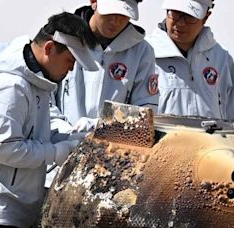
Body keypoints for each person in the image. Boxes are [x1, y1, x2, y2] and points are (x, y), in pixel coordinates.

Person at [0, 12, 97, 227]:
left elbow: (38, 135)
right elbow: (5, 149)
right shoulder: (9, 86)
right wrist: (58, 152)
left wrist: (76, 139)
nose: (72, 69)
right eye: (69, 60)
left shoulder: (37, 82)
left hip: (12, 209)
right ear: (48, 49)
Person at [47, 0, 159, 185]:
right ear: (94, 2)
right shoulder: (63, 37)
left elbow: (145, 115)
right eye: (110, 13)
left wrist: (101, 126)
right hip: (57, 161)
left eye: (123, 15)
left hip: (112, 169)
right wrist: (65, 131)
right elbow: (44, 101)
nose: (115, 21)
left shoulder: (142, 52)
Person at [146, 0, 234, 121]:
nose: (181, 23)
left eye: (190, 16)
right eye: (175, 13)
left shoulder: (221, 58)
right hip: (163, 140)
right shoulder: (145, 55)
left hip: (211, 140)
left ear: (206, 17)